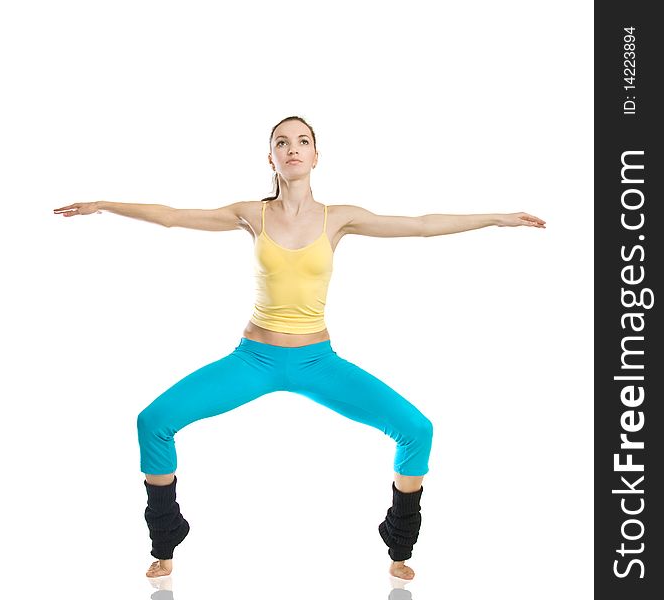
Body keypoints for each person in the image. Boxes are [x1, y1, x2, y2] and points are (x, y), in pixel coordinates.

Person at [53, 115, 546, 582]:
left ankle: (399, 544)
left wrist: (497, 218)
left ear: (316, 155)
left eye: (302, 142)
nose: (292, 149)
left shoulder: (340, 219)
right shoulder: (253, 214)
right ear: (270, 158)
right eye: (281, 143)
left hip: (318, 362)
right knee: (153, 422)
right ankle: (165, 540)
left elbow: (418, 224)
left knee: (417, 430)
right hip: (254, 359)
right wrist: (105, 204)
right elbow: (172, 217)